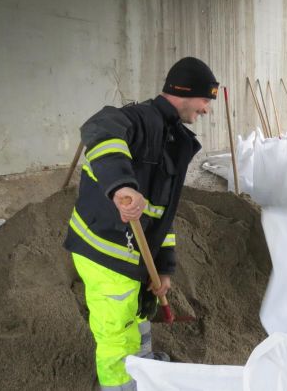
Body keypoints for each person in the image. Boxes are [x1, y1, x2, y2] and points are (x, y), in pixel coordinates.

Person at [63, 57, 218, 391]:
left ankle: (144, 370)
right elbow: (101, 130)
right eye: (207, 99)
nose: (207, 109)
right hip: (105, 251)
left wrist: (163, 269)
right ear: (186, 92)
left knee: (138, 313)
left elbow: (163, 215)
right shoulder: (138, 120)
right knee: (116, 338)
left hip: (133, 253)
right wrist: (122, 186)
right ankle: (122, 386)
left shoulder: (173, 139)